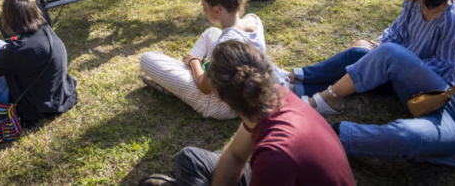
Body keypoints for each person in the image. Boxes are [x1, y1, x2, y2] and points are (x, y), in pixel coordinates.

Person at [139, 40, 356, 186]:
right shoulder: (277, 95)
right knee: (190, 159)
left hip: (283, 168)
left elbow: (260, 159)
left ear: (221, 97)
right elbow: (235, 154)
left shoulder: (275, 157)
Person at [290, 0, 455, 115]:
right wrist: (378, 50)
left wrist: (397, 60)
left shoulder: (453, 19)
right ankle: (295, 83)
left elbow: (446, 67)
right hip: (401, 70)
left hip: (432, 90)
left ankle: (327, 99)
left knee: (385, 53)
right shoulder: (415, 3)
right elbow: (397, 31)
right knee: (358, 52)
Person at [139, 0, 291, 120]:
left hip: (223, 105)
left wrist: (194, 63)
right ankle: (175, 80)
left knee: (147, 58)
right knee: (211, 32)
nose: (204, 11)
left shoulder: (223, 45)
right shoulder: (253, 20)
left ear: (217, 10)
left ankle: (172, 85)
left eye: (204, 6)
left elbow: (205, 88)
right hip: (248, 92)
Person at [332, 77, 455, 167]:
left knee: (405, 136)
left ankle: (328, 136)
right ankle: (314, 89)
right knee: (390, 53)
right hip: (451, 93)